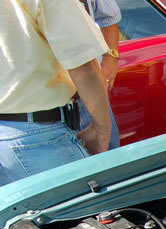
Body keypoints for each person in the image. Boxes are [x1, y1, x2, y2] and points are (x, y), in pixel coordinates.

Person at [0, 0, 111, 185]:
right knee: (82, 203)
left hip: (26, 134)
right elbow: (83, 65)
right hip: (35, 138)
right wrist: (102, 128)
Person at [77, 0, 122, 150]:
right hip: (42, 107)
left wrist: (110, 58)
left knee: (108, 160)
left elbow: (108, 15)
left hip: (88, 93)